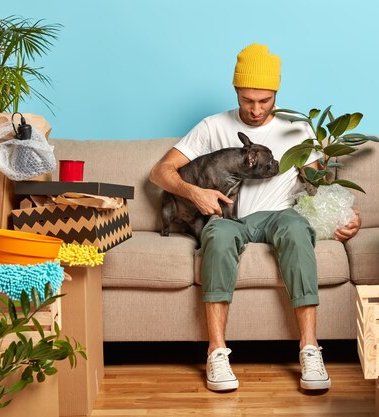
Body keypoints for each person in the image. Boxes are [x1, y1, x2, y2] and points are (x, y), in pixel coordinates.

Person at [149, 43, 361, 392]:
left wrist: (348, 214)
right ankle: (216, 352)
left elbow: (319, 184)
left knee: (296, 230)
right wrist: (195, 193)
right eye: (248, 100)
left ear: (276, 94)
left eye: (265, 100)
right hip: (229, 220)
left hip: (281, 216)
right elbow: (160, 172)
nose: (256, 109)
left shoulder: (298, 129)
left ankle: (310, 348)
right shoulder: (212, 126)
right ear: (235, 92)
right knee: (216, 237)